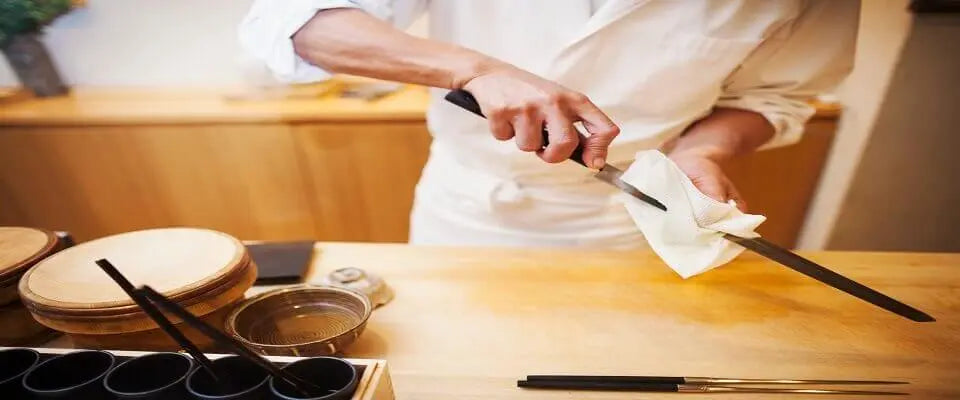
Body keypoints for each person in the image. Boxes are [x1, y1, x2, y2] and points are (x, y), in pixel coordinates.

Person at [240, 0, 859, 248]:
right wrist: (473, 68)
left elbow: (779, 93)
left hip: (631, 218)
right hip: (464, 211)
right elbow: (293, 22)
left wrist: (706, 151)